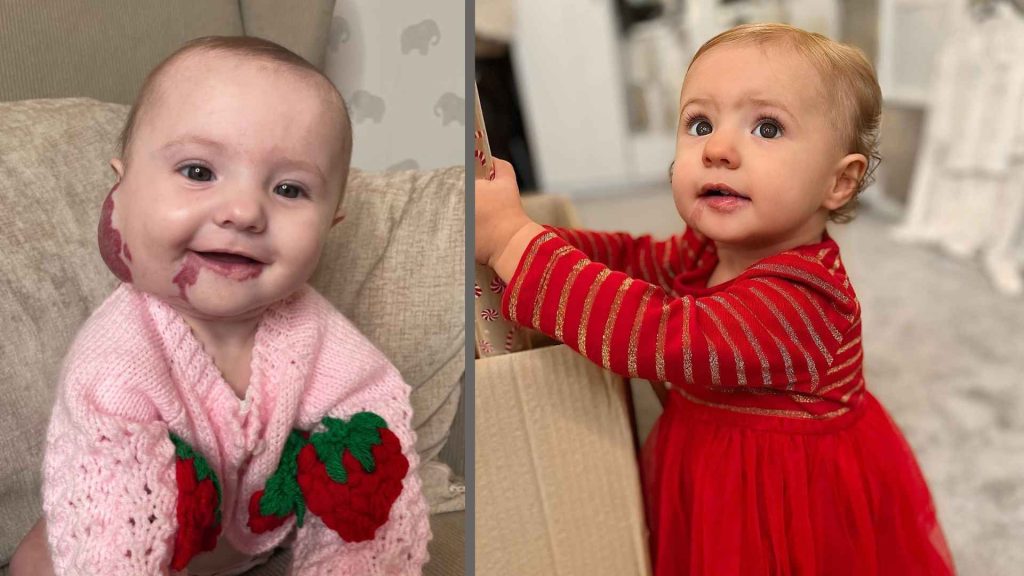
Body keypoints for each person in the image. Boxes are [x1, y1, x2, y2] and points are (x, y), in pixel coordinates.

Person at [475, 23, 956, 575]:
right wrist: (542, 238)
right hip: (708, 467)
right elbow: (633, 259)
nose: (719, 149)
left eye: (768, 128)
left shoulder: (803, 299)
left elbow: (659, 334)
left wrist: (516, 245)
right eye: (699, 124)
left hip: (783, 501)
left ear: (838, 183)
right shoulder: (706, 250)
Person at [10, 36, 429, 576]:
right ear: (123, 192)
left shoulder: (313, 333)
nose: (243, 211)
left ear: (331, 225)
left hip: (241, 547)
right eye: (199, 172)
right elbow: (112, 547)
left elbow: (372, 460)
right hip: (110, 542)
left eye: (288, 189)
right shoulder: (116, 364)